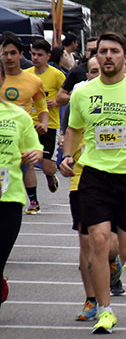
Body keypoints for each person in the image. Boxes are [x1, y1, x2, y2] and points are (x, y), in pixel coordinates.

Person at [60, 32, 126, 334]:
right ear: (96, 56)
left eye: (114, 51)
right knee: (98, 240)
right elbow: (74, 129)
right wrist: (67, 156)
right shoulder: (83, 93)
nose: (107, 56)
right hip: (94, 175)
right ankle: (105, 309)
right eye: (102, 51)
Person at [0, 60, 44, 308]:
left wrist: (35, 154)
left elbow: (33, 147)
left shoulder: (17, 116)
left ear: (2, 80)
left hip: (9, 197)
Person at [1, 34, 48, 214]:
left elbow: (42, 107)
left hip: (23, 131)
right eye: (5, 53)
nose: (9, 57)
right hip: (3, 132)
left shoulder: (34, 81)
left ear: (21, 54)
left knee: (27, 164)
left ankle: (33, 201)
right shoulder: (0, 78)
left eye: (13, 53)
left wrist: (44, 123)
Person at [27, 39, 66, 196]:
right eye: (33, 54)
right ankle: (33, 201)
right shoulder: (26, 74)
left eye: (40, 55)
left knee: (48, 167)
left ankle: (50, 176)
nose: (35, 58)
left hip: (50, 124)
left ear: (48, 56)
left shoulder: (57, 75)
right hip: (29, 124)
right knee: (28, 163)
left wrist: (56, 102)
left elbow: (70, 95)